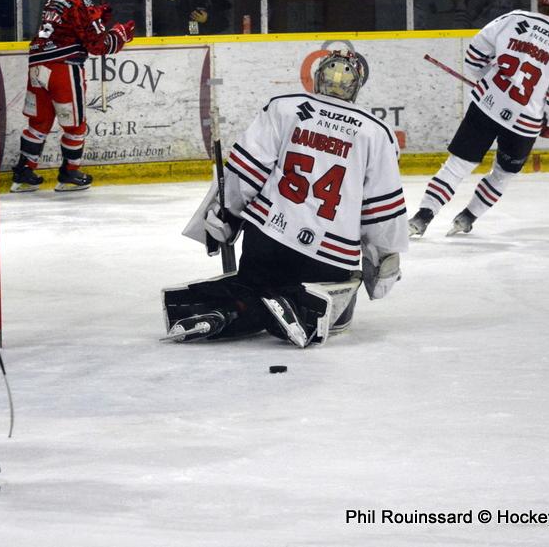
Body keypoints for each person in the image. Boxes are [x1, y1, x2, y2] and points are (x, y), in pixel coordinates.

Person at [163, 50, 408, 348]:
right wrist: (382, 260)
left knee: (252, 286)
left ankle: (225, 306)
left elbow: (245, 173)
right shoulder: (376, 132)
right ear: (357, 86)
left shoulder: (284, 107)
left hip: (267, 240)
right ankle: (295, 305)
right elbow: (382, 211)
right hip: (327, 256)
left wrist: (226, 216)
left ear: (317, 78)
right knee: (339, 314)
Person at [409, 0, 549, 238]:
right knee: (503, 173)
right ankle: (467, 217)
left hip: (487, 105)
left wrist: (488, 83)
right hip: (524, 122)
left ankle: (422, 216)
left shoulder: (513, 19)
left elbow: (474, 56)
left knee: (457, 165)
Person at [9, 0, 135, 192]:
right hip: (63, 68)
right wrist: (120, 34)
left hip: (37, 66)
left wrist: (97, 18)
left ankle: (23, 173)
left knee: (39, 122)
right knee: (75, 125)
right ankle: (70, 173)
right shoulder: (81, 3)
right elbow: (97, 45)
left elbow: (70, 27)